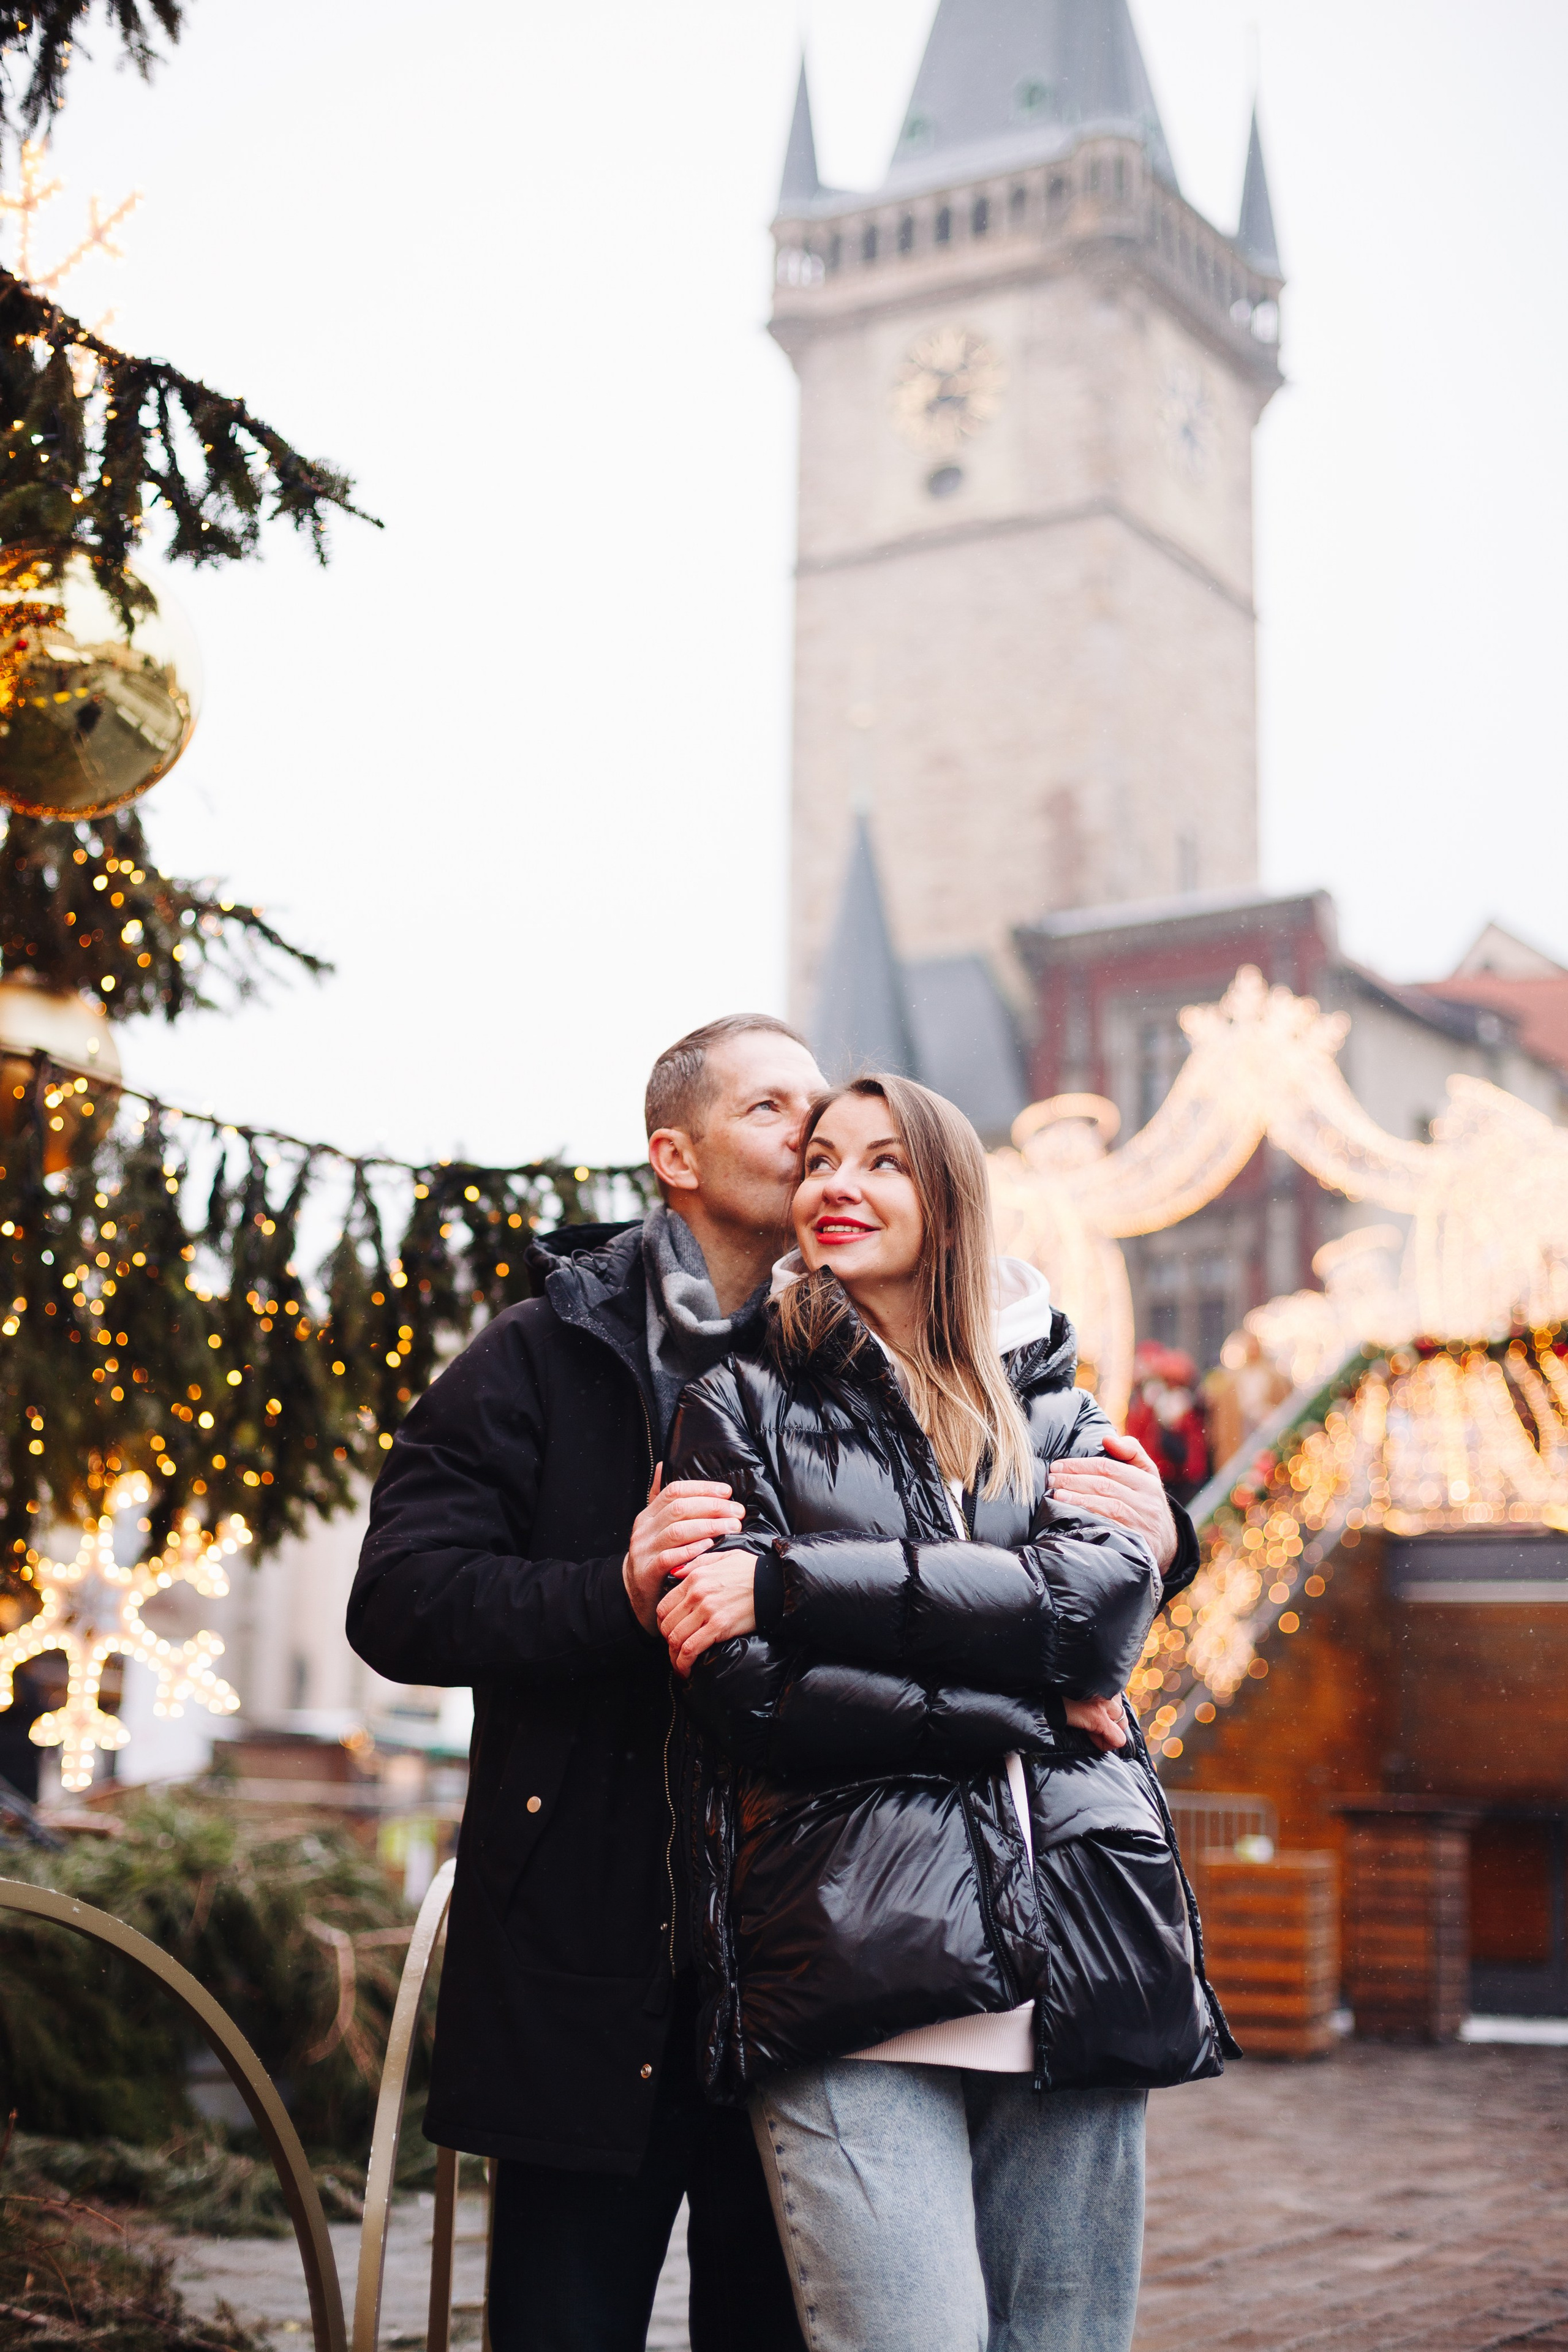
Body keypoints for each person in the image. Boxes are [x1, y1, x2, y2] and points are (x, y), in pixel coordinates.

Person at [348, 1019, 1188, 2352]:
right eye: (776, 1115)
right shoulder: (544, 1350)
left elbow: (1010, 1546)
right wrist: (613, 1594)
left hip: (827, 1945)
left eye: (842, 1129)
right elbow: (398, 1600)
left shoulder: (887, 1352)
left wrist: (1157, 1543)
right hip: (603, 1941)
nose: (813, 1146)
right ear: (671, 1156)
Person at [656, 1074, 1233, 2352]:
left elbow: (1085, 1624)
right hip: (847, 1956)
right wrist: (1024, 1706)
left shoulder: (1061, 1418)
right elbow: (750, 1694)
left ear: (949, 1196)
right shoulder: (734, 1408)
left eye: (879, 1162)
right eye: (816, 1161)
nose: (834, 1188)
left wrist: (793, 1583)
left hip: (1075, 1949)